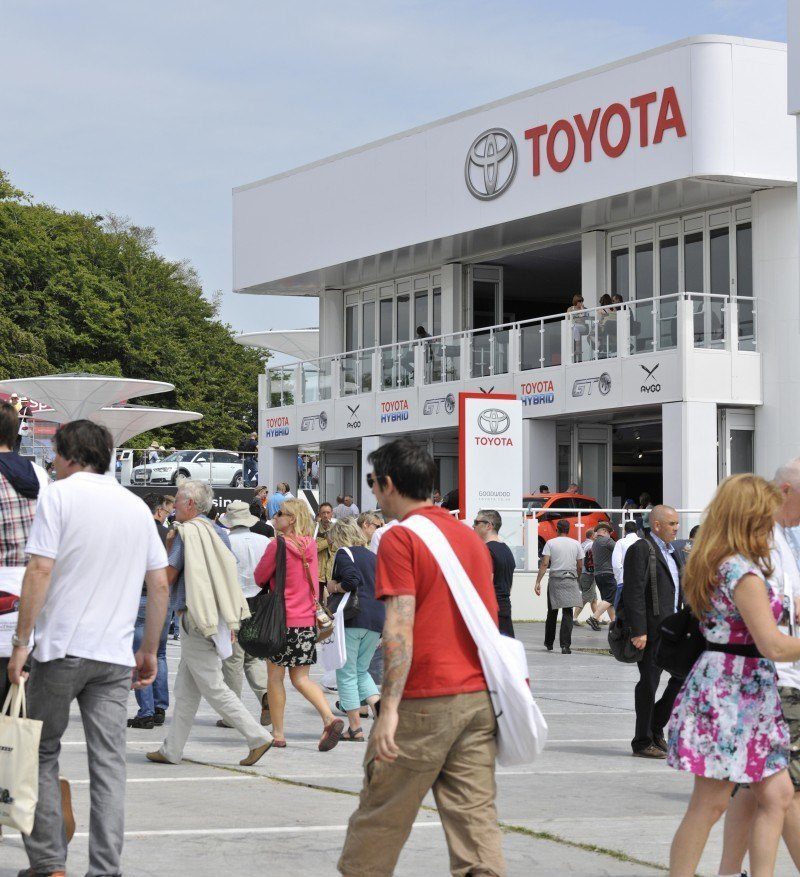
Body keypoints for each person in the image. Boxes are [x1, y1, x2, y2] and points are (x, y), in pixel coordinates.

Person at [8, 420, 169, 877]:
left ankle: (48, 862)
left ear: (69, 455)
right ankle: (105, 869)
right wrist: (151, 649)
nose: (53, 465)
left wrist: (23, 642)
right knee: (109, 765)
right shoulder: (136, 506)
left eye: (56, 456)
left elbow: (39, 570)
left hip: (60, 648)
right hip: (114, 656)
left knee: (40, 752)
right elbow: (158, 583)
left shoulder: (59, 496)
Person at [339, 439, 504, 877]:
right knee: (475, 826)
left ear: (389, 483)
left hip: (426, 699)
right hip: (478, 697)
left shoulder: (401, 538)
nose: (373, 491)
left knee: (380, 820)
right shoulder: (467, 535)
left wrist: (388, 708)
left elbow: (398, 626)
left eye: (373, 482)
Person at [666, 475, 800, 877]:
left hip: (734, 685)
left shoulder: (719, 562)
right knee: (710, 803)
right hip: (736, 689)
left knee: (775, 795)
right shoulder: (741, 572)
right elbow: (772, 645)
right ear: (754, 516)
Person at [147, 480, 273, 767]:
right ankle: (171, 749)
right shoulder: (217, 532)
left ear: (190, 504)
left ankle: (257, 736)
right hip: (215, 616)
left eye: (177, 501)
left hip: (194, 616)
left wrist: (159, 556)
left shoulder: (185, 533)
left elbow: (168, 576)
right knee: (186, 690)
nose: (173, 506)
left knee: (214, 686)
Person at [715, 462, 800, 876]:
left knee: (758, 793)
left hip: (774, 679)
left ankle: (732, 873)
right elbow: (769, 635)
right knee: (784, 793)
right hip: (774, 680)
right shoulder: (751, 554)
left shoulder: (780, 539)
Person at [254, 497, 344, 751]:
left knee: (274, 676)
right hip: (305, 621)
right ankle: (329, 717)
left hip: (280, 621)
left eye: (280, 513)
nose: (275, 516)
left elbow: (260, 577)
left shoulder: (277, 545)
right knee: (301, 678)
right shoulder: (311, 545)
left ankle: (279, 734)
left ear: (291, 519)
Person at [623, 504, 683, 758]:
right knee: (649, 682)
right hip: (651, 630)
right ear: (656, 525)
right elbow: (633, 591)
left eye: (677, 523)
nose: (676, 528)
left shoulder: (675, 552)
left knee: (683, 676)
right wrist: (639, 631)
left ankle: (656, 724)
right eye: (672, 524)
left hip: (674, 630)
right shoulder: (641, 549)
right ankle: (642, 740)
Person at [326, 518, 385, 741]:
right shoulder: (373, 556)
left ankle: (355, 728)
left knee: (347, 672)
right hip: (376, 618)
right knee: (361, 671)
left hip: (353, 618)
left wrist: (335, 586)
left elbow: (352, 580)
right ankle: (380, 711)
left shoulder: (344, 552)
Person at [218, 500, 271, 728]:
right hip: (259, 601)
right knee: (254, 656)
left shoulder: (225, 541)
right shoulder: (264, 541)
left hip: (234, 601)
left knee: (233, 659)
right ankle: (265, 696)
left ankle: (232, 713)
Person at [127, 493, 172, 729]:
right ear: (159, 511)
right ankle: (159, 707)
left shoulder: (136, 534)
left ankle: (145, 711)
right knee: (161, 653)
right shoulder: (169, 535)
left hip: (140, 596)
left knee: (140, 654)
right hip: (164, 597)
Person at [535, 519, 583, 654]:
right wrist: (577, 578)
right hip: (571, 579)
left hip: (555, 580)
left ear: (557, 529)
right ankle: (565, 646)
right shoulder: (576, 544)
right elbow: (580, 565)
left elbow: (544, 564)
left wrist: (538, 581)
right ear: (568, 530)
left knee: (552, 612)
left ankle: (549, 643)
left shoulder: (550, 543)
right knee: (568, 613)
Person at [473, 508, 516, 637]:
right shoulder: (506, 550)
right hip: (504, 610)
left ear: (489, 526)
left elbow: (485, 585)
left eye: (476, 522)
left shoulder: (486, 550)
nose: (473, 526)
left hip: (490, 613)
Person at [586, 522, 617, 631]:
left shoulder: (595, 543)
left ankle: (614, 624)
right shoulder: (607, 541)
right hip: (608, 573)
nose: (610, 535)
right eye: (609, 532)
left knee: (608, 600)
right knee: (611, 597)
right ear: (604, 531)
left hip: (598, 575)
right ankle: (594, 617)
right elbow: (619, 551)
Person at [612, 519, 640, 608]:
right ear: (637, 531)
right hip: (640, 581)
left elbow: (616, 564)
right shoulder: (643, 542)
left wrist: (618, 577)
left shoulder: (620, 542)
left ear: (624, 530)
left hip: (623, 580)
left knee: (620, 610)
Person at [575, 528, 597, 624]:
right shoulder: (592, 545)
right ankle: (574, 618)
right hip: (589, 574)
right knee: (585, 597)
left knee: (594, 599)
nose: (597, 536)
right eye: (596, 534)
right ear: (592, 536)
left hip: (583, 573)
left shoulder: (582, 545)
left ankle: (597, 618)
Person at [316, 501, 336, 601]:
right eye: (323, 513)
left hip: (332, 571)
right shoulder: (314, 529)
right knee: (317, 602)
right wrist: (327, 541)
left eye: (328, 512)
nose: (326, 515)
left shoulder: (337, 529)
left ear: (332, 514)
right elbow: (312, 548)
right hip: (318, 572)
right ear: (319, 514)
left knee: (332, 604)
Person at [566, 293, 589, 362]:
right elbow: (568, 318)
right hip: (572, 327)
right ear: (576, 302)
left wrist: (582, 309)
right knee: (574, 327)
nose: (581, 303)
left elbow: (584, 319)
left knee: (575, 327)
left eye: (582, 301)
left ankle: (577, 348)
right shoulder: (570, 309)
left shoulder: (584, 309)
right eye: (580, 301)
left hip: (583, 327)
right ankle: (572, 350)